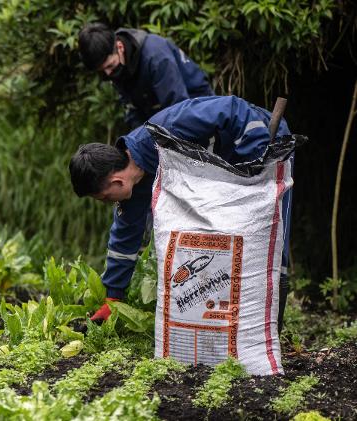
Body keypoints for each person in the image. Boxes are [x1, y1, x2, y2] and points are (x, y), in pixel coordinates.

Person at [68, 96, 293, 330]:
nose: (107, 203)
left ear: (116, 180)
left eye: (105, 198)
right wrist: (113, 299)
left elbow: (232, 108)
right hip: (226, 175)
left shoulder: (169, 129)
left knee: (270, 234)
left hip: (267, 143)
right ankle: (229, 323)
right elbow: (124, 240)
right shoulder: (134, 186)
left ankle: (270, 326)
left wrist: (257, 159)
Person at [78, 23, 214, 129]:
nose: (108, 73)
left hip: (198, 110)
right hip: (162, 115)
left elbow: (178, 109)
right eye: (102, 70)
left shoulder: (156, 57)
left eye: (110, 66)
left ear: (119, 47)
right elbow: (132, 112)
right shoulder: (118, 67)